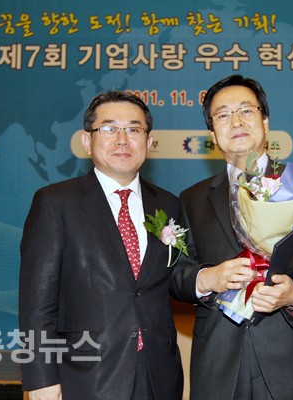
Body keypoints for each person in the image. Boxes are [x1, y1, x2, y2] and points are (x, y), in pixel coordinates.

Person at [171, 75, 293, 400]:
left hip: (292, 364)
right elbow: (176, 272)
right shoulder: (192, 199)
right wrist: (207, 278)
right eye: (223, 115)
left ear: (265, 121)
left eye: (245, 111)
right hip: (219, 367)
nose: (236, 122)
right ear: (212, 133)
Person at [19, 91, 183, 400]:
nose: (122, 139)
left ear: (149, 142)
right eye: (109, 128)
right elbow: (37, 302)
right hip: (83, 375)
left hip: (157, 375)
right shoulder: (55, 203)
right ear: (87, 141)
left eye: (134, 129)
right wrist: (40, 378)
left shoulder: (169, 205)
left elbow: (172, 280)